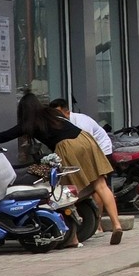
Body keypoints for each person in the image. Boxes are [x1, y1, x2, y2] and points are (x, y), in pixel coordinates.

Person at [0, 92, 124, 246]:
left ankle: (73, 237)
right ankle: (116, 224)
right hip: (85, 139)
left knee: (63, 192)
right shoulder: (52, 113)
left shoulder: (30, 123)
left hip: (67, 146)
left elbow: (6, 135)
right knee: (101, 185)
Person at [50, 98, 113, 234]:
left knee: (96, 186)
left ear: (67, 112)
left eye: (59, 113)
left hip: (101, 150)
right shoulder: (62, 123)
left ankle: (98, 223)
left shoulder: (81, 122)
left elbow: (87, 145)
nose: (57, 117)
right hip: (87, 152)